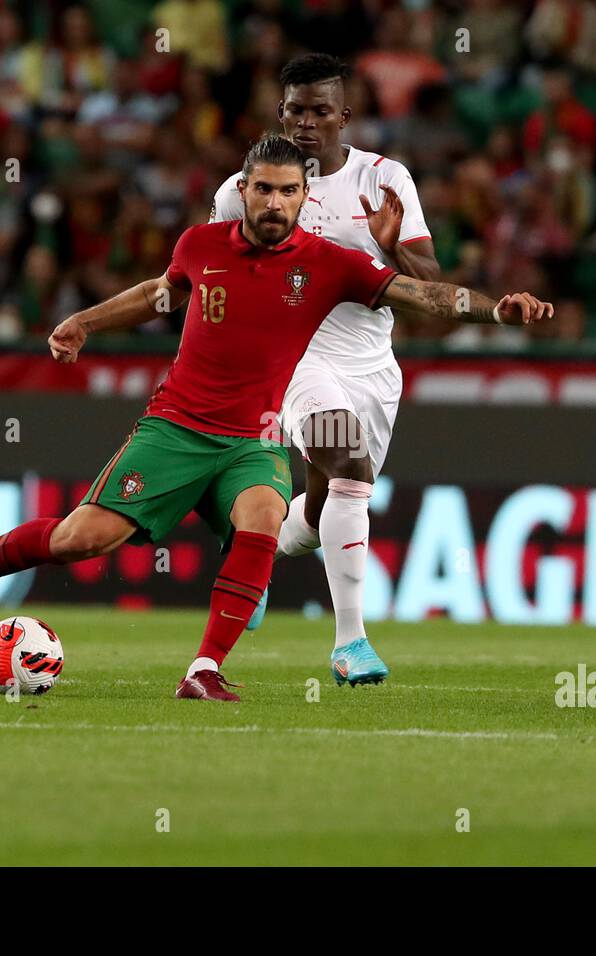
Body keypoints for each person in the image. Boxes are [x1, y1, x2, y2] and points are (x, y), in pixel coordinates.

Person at [0, 134, 551, 701]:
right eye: (264, 189)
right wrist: (82, 321)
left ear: (305, 198)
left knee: (263, 514)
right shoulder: (202, 244)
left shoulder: (331, 264)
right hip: (175, 431)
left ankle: (204, 669)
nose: (276, 202)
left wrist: (497, 309)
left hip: (253, 440)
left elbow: (420, 292)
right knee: (80, 540)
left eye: (289, 191)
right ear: (242, 190)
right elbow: (156, 293)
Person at [208, 53, 443, 687]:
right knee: (348, 463)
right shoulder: (244, 190)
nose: (307, 123)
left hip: (371, 365)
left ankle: (250, 560)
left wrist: (390, 246)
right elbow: (212, 274)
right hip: (294, 358)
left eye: (320, 111)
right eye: (296, 111)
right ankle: (351, 643)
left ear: (345, 115)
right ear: (280, 113)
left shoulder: (384, 181)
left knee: (322, 508)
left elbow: (431, 289)